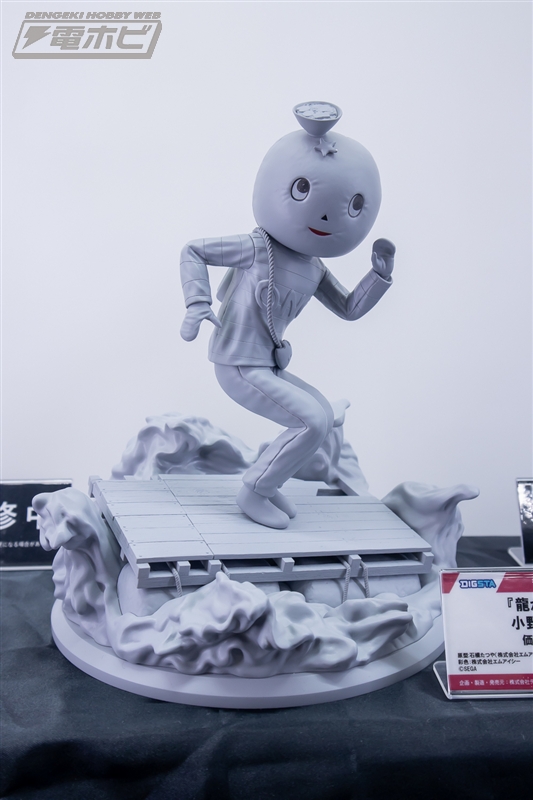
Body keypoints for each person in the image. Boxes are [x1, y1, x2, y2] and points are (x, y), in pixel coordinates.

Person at [180, 102, 395, 529]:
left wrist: (378, 276)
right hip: (238, 362)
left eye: (352, 206)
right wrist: (197, 303)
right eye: (301, 190)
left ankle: (270, 480)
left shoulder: (314, 267)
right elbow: (194, 251)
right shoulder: (257, 247)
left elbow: (349, 308)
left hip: (267, 365)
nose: (327, 216)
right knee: (310, 420)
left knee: (322, 414)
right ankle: (254, 490)